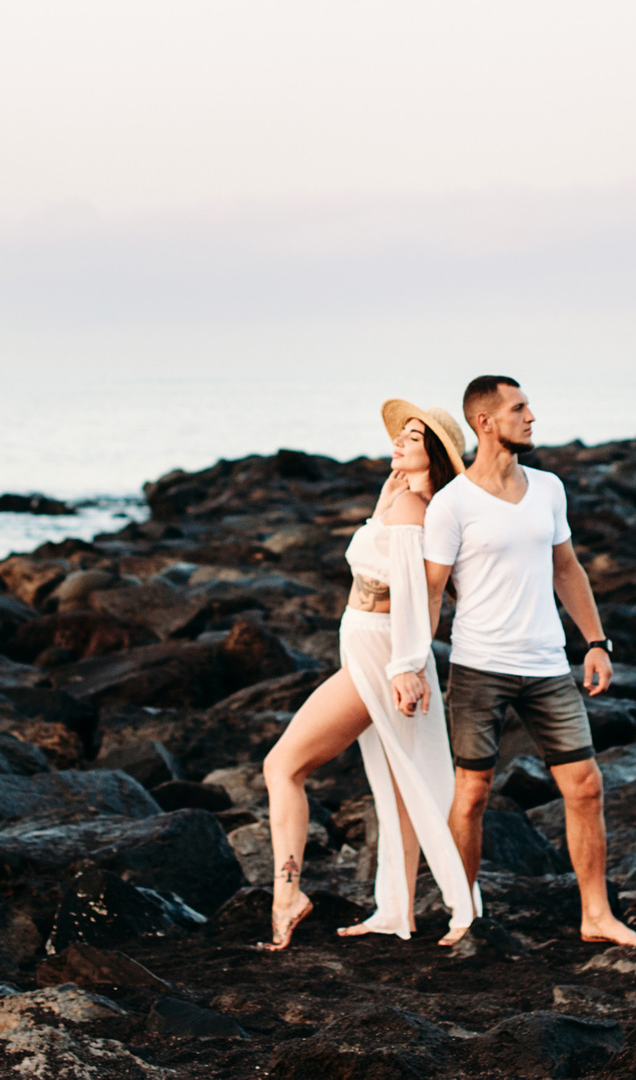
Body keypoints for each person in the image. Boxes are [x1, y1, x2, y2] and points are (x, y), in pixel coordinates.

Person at [423, 375, 636, 945]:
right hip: (478, 667)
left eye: (528, 407)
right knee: (471, 794)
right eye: (519, 408)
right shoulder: (452, 505)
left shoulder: (548, 488)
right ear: (485, 422)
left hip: (548, 666)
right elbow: (429, 590)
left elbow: (566, 568)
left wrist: (596, 642)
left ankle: (596, 915)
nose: (531, 417)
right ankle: (464, 913)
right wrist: (413, 664)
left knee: (585, 786)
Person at [256, 399, 482, 951]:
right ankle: (398, 910)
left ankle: (287, 896)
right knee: (402, 785)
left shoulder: (413, 509)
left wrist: (406, 666)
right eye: (400, 435)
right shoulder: (402, 498)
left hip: (384, 654)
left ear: (432, 452)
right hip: (374, 648)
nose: (398, 443)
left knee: (282, 766)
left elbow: (417, 596)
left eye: (411, 438)